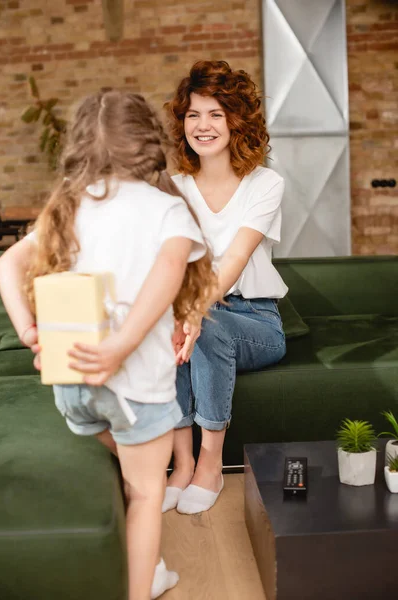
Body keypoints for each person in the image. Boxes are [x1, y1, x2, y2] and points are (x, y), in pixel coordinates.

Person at [0, 89, 217, 600]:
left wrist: (31, 331)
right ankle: (141, 589)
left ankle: (149, 568)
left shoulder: (68, 205)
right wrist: (120, 347)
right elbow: (166, 277)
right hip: (135, 386)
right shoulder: (165, 210)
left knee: (124, 468)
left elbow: (6, 264)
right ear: (147, 142)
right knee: (145, 492)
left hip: (73, 382)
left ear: (80, 146)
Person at [161, 60, 288, 515]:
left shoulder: (265, 183)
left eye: (216, 114)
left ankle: (209, 465)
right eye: (193, 114)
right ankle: (180, 463)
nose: (203, 125)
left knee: (204, 323)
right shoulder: (172, 187)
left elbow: (234, 260)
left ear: (238, 120)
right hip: (193, 310)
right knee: (166, 325)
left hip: (255, 320)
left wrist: (194, 313)